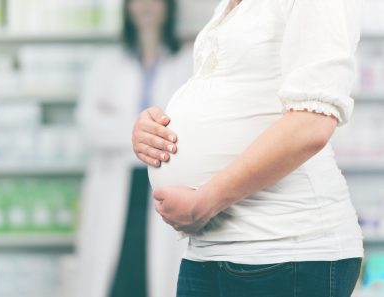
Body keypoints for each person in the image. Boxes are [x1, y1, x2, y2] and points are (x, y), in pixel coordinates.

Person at [131, 0, 364, 296]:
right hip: (209, 251)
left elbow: (311, 125)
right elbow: (239, 92)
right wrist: (155, 130)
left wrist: (204, 203)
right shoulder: (229, 5)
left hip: (286, 252)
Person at [74, 0, 193, 296]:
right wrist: (149, 130)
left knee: (157, 275)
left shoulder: (186, 62)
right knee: (116, 276)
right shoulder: (107, 64)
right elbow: (89, 125)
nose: (146, 6)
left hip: (163, 183)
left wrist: (118, 123)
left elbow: (188, 127)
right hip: (116, 183)